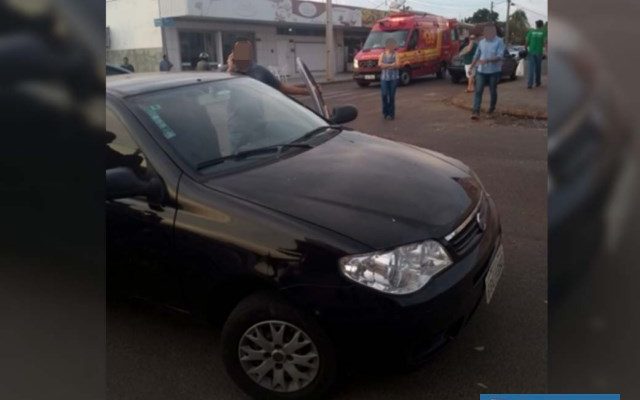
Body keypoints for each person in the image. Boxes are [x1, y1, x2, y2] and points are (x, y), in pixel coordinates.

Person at [226, 40, 308, 96]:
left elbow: (283, 88)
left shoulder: (260, 71)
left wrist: (308, 91)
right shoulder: (228, 73)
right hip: (235, 121)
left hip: (257, 119)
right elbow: (222, 89)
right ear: (233, 54)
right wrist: (230, 68)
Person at [469, 24, 505, 120]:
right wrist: (471, 66)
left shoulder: (499, 41)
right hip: (481, 71)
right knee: (478, 91)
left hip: (494, 71)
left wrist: (488, 60)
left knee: (493, 91)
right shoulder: (481, 42)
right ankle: (476, 111)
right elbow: (477, 55)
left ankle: (491, 109)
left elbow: (500, 55)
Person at [378, 38, 400, 120]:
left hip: (393, 78)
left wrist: (386, 65)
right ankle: (385, 111)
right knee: (384, 95)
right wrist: (391, 65)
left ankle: (391, 114)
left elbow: (398, 65)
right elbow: (380, 65)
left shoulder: (396, 54)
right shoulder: (382, 54)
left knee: (391, 96)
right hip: (384, 78)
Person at [525, 20, 547, 89]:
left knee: (531, 68)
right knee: (538, 68)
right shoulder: (543, 32)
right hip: (539, 52)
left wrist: (525, 48)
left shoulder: (531, 31)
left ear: (536, 25)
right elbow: (545, 42)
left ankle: (529, 84)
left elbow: (527, 41)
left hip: (531, 52)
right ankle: (537, 82)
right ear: (542, 25)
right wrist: (546, 52)